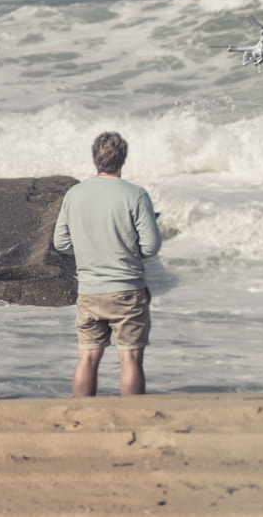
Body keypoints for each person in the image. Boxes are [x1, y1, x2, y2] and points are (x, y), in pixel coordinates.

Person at [53, 132, 161, 396]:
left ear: (95, 159)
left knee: (87, 358)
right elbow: (151, 247)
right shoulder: (135, 195)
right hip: (126, 290)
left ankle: (82, 417)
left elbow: (61, 243)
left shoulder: (74, 194)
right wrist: (124, 251)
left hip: (89, 290)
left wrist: (91, 252)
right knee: (130, 359)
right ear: (122, 158)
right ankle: (131, 417)